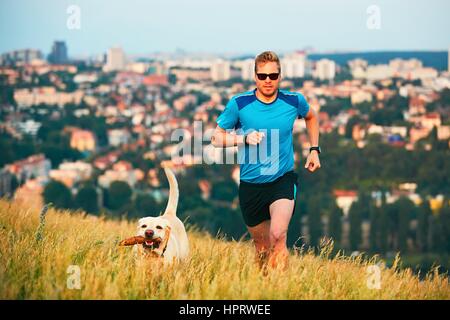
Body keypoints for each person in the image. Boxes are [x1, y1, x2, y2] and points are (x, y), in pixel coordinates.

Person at [211, 51, 321, 271]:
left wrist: (314, 149)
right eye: (263, 76)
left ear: (280, 76)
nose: (268, 80)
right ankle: (264, 287)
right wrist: (242, 138)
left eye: (273, 75)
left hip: (282, 179)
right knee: (261, 248)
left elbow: (311, 117)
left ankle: (282, 290)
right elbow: (216, 138)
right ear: (255, 77)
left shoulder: (294, 101)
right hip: (251, 184)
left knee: (278, 235)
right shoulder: (239, 104)